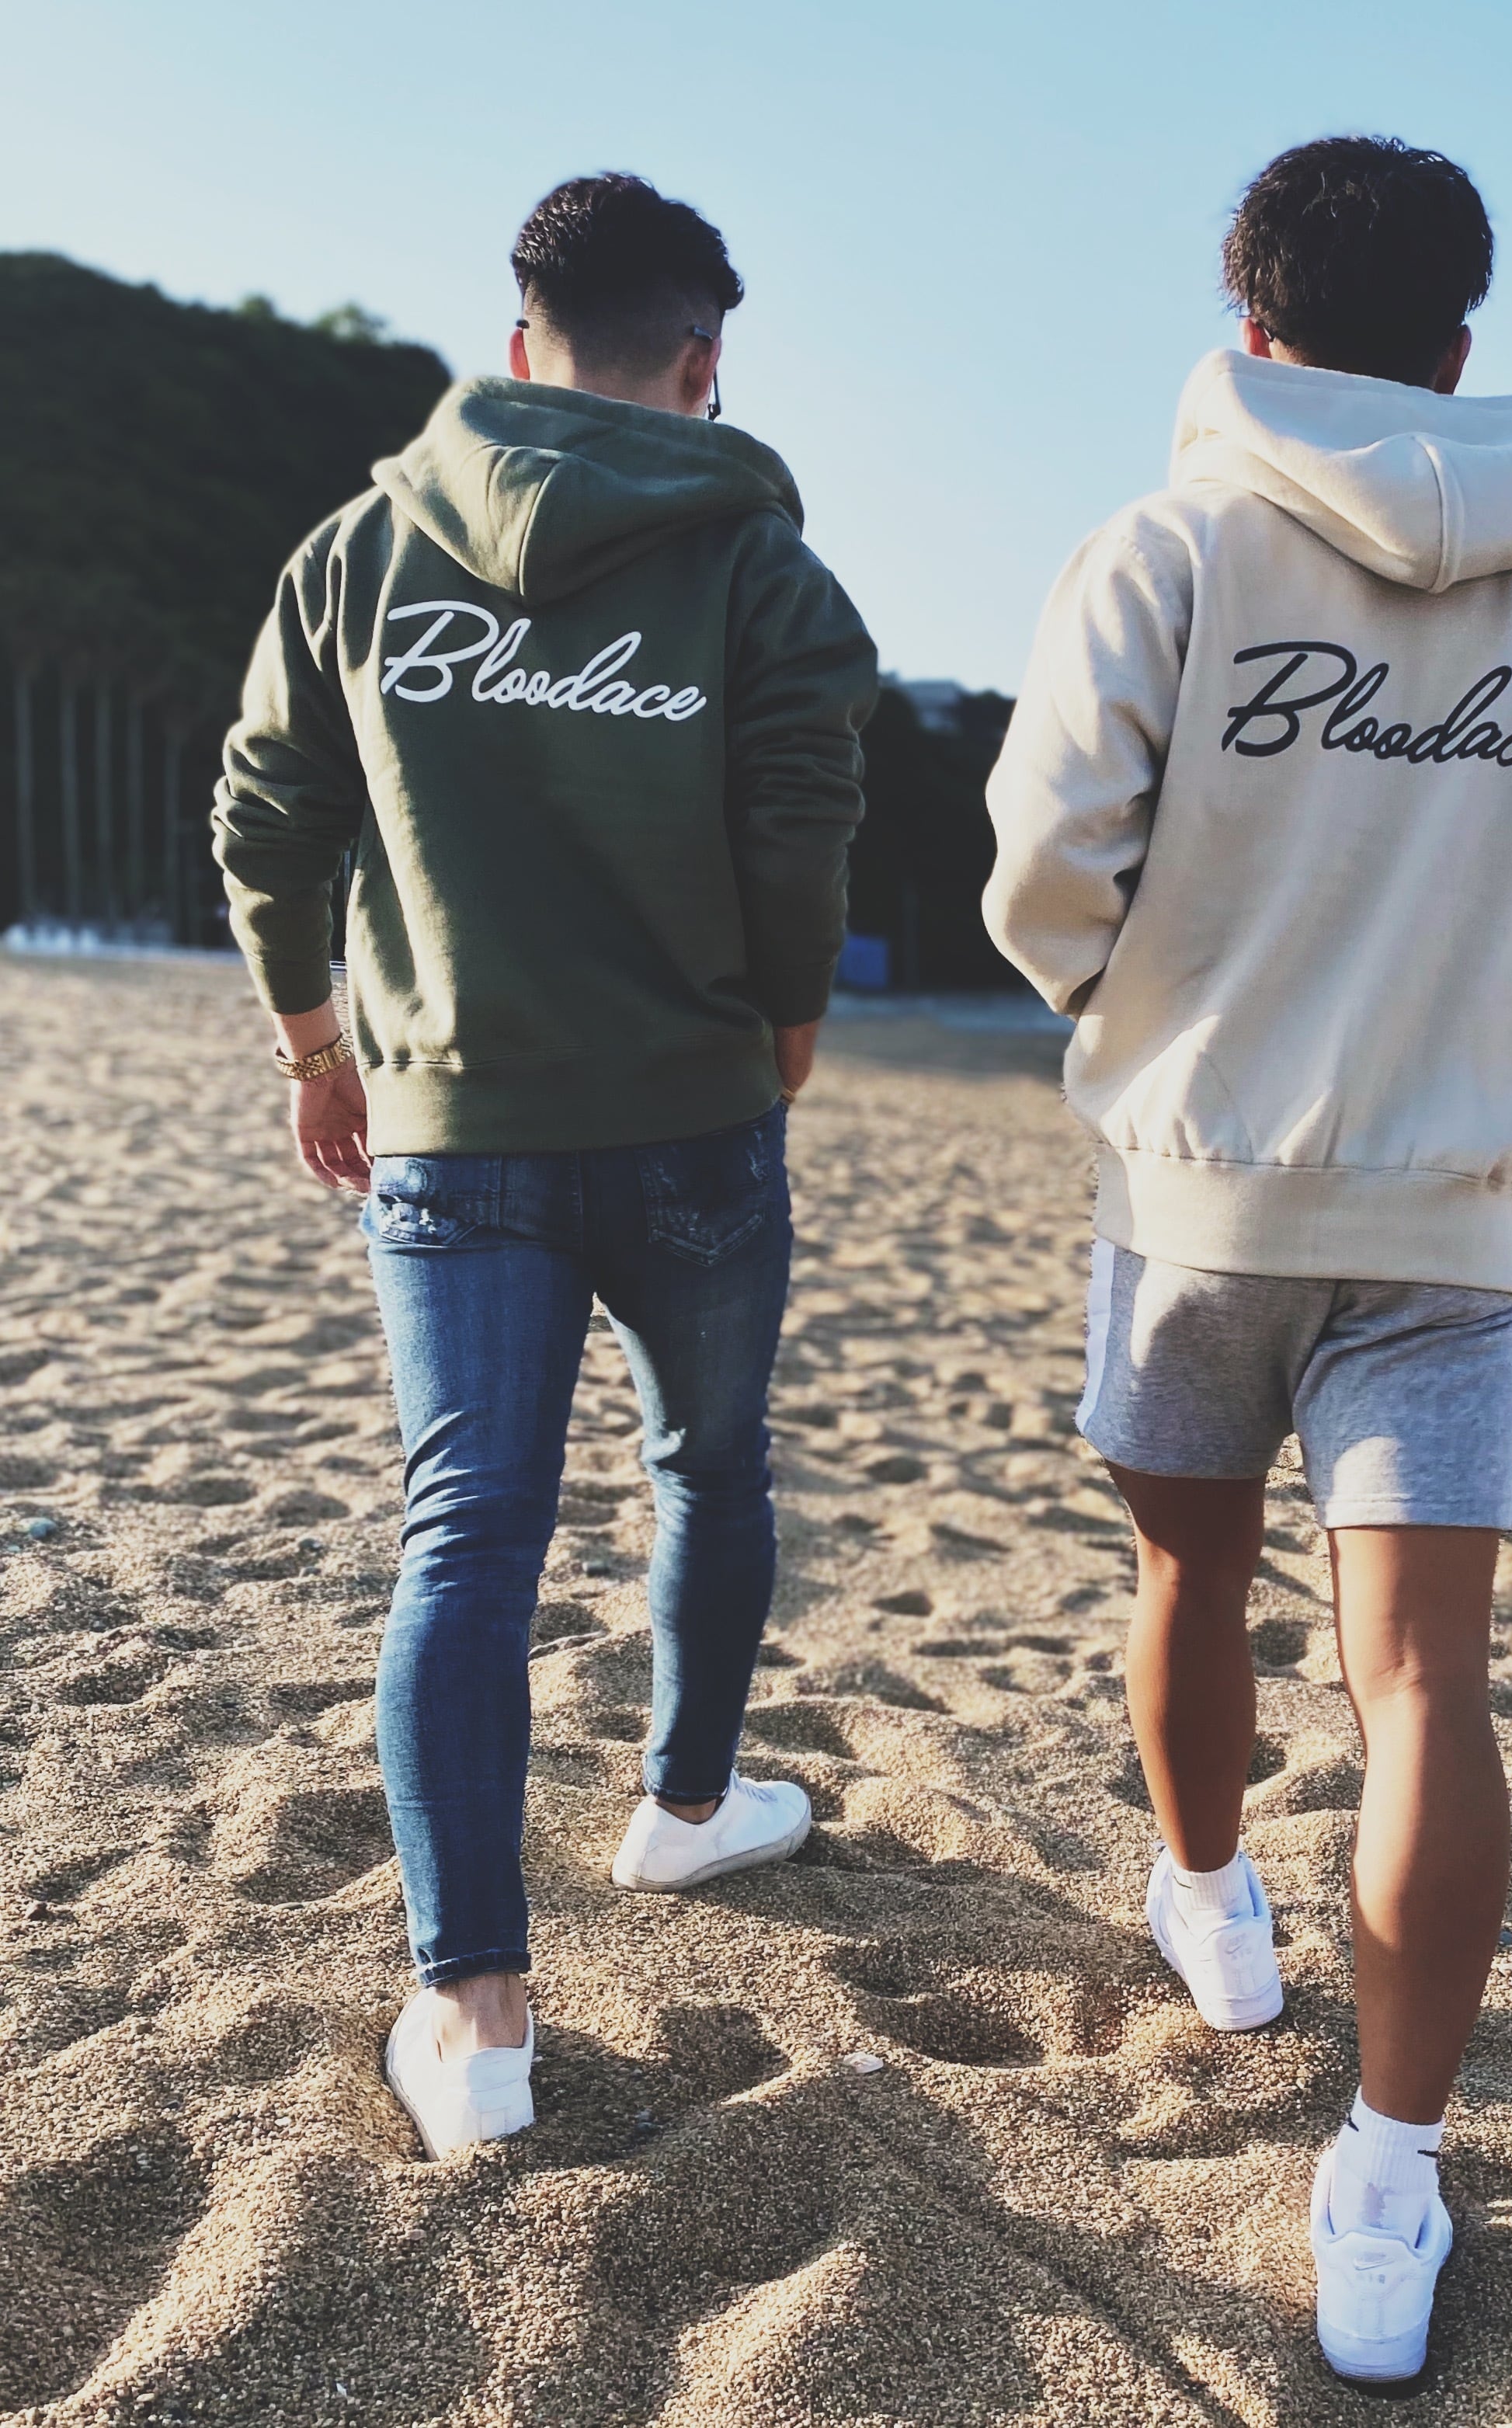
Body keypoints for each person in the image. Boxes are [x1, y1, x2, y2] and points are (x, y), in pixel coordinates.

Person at [984, 136, 1512, 2383]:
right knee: (1421, 1686)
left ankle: (1216, 1913)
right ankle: (1387, 2174)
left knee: (1187, 1576)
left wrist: (1138, 1031)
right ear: (1459, 346)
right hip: (1446, 1220)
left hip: (1198, 1188)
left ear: (1248, 323)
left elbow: (1042, 856)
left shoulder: (1163, 546)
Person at [212, 172, 877, 2160]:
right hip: (694, 1112)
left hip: (455, 1123)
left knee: (468, 1535)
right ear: (701, 364)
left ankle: (474, 2011)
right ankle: (685, 1804)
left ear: (519, 345)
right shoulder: (759, 564)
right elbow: (801, 814)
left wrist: (313, 1041)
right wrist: (785, 1019)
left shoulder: (357, 551)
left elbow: (266, 817)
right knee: (712, 1467)